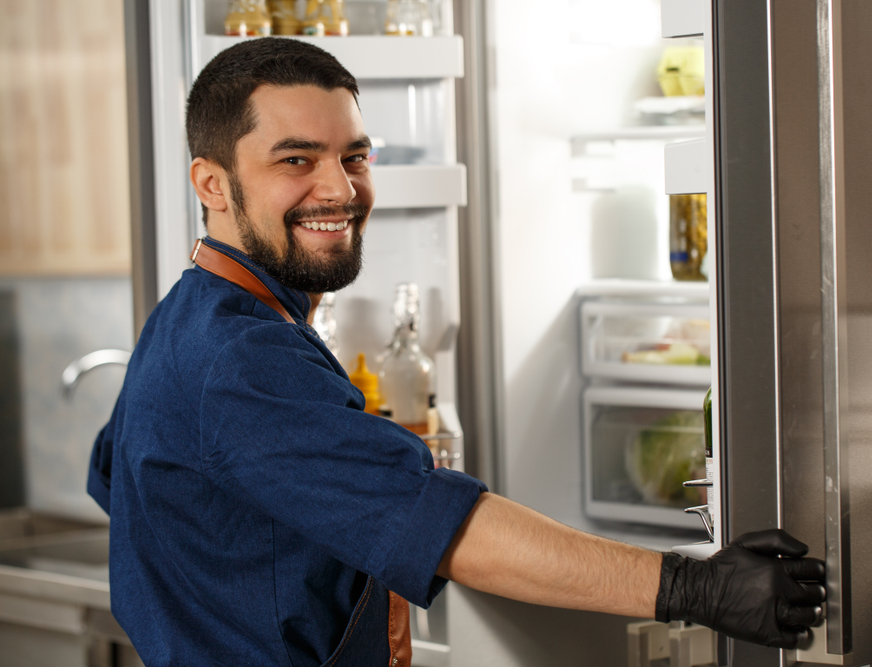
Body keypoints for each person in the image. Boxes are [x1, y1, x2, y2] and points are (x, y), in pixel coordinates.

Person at [88, 38, 824, 667]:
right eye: (295, 160)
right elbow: (441, 527)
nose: (340, 188)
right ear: (211, 184)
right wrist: (699, 589)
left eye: (354, 155)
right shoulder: (238, 358)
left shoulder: (190, 317)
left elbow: (114, 474)